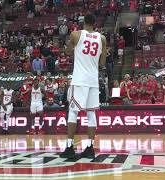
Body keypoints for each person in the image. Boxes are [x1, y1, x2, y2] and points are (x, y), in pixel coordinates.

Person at [60, 14, 107, 159]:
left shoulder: (75, 34)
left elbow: (67, 52)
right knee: (91, 113)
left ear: (84, 22)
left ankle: (69, 147)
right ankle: (90, 148)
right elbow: (102, 62)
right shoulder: (102, 38)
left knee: (73, 112)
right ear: (94, 23)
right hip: (93, 80)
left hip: (80, 79)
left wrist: (69, 45)